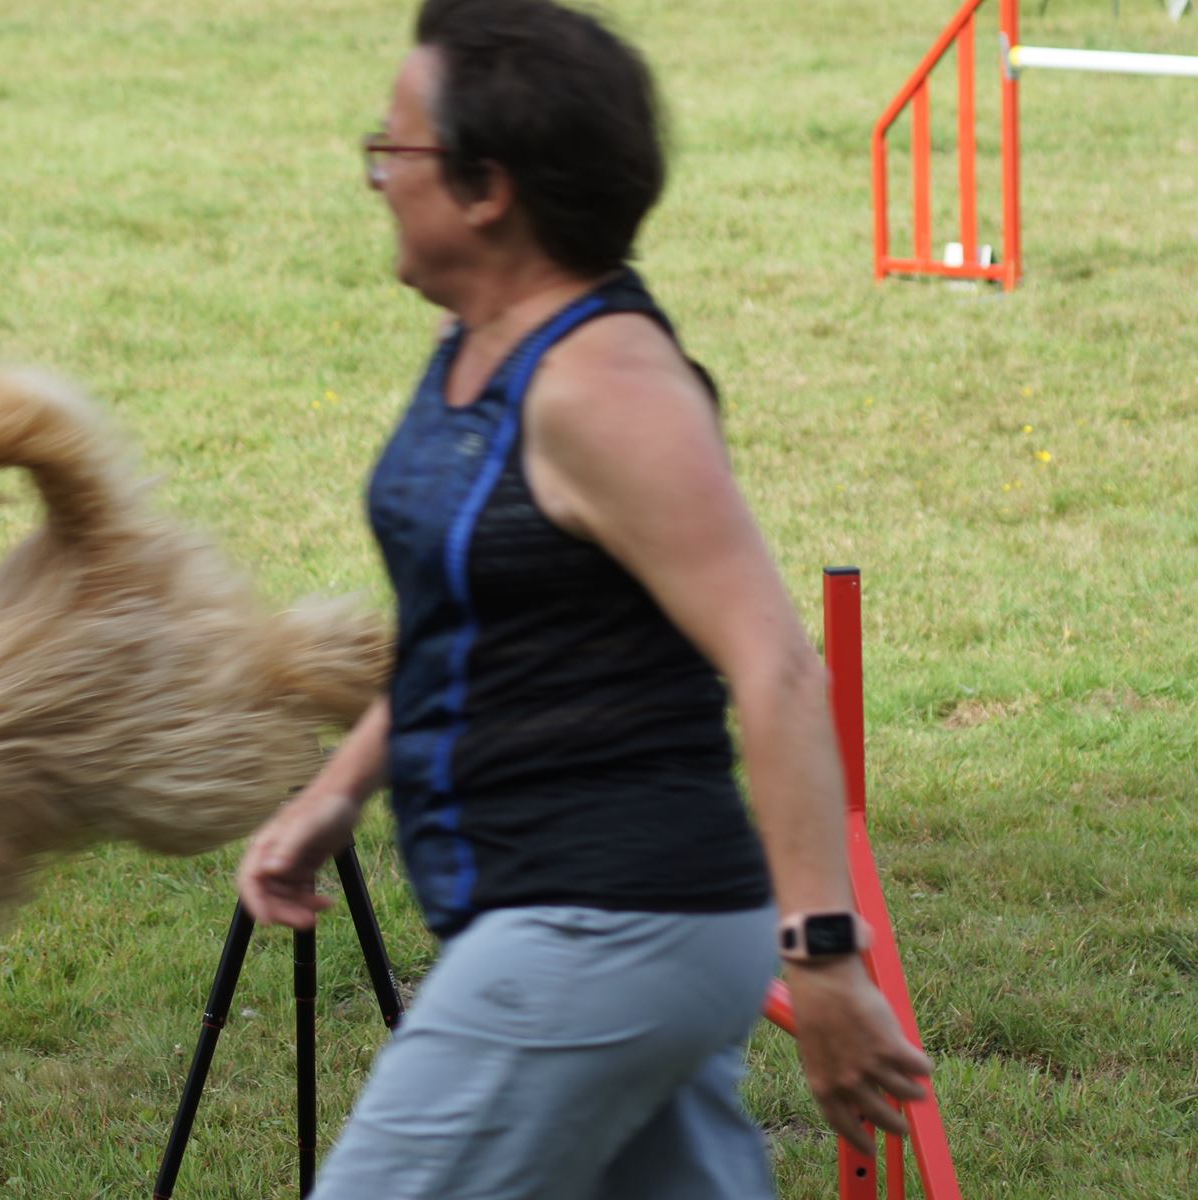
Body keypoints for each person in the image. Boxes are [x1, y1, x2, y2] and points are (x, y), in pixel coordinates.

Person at [235, 1, 934, 1196]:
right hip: (591, 919)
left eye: (391, 150)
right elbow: (477, 626)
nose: (373, 179)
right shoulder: (481, 341)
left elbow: (773, 665)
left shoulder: (605, 387)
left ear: (486, 187)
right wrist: (340, 789)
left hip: (601, 921)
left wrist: (823, 956)